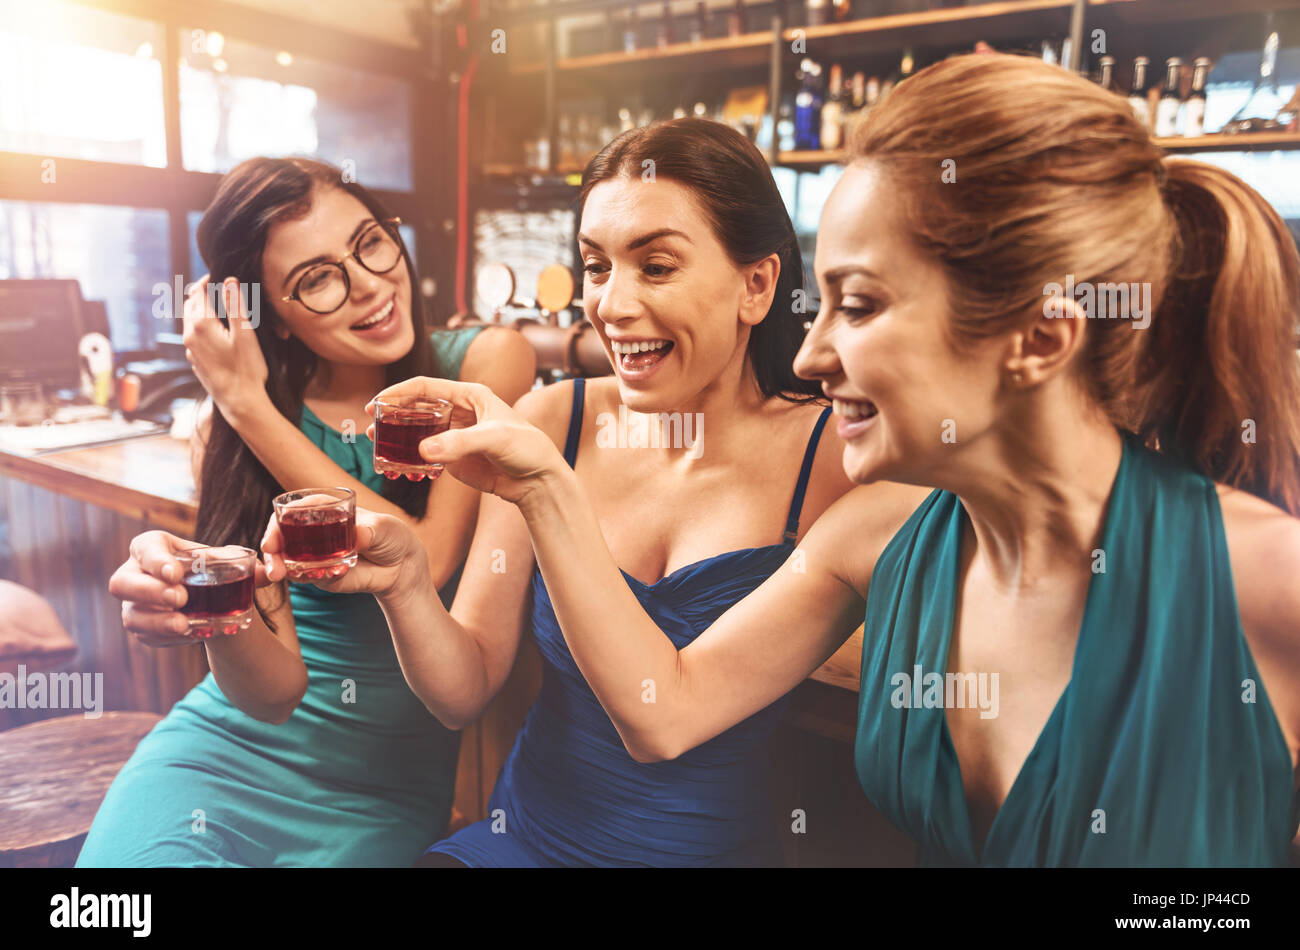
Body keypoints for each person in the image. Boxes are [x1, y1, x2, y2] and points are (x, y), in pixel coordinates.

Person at [329, 55, 1300, 866]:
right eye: (596, 264)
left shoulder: (1265, 576)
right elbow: (660, 711)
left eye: (862, 305)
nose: (808, 354)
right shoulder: (876, 538)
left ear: (1039, 339)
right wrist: (522, 495)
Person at [265, 118, 860, 866]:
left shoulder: (835, 453)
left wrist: (547, 490)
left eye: (657, 265)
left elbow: (663, 719)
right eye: (597, 266)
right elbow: (466, 685)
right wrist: (406, 584)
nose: (610, 305)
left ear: (757, 284)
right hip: (525, 841)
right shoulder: (557, 418)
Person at [77, 157, 535, 867]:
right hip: (220, 759)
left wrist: (246, 405)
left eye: (370, 242)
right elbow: (273, 693)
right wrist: (209, 611)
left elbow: (425, 551)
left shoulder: (483, 366)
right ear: (275, 320)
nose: (369, 286)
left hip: (377, 793)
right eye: (316, 279)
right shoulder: (225, 435)